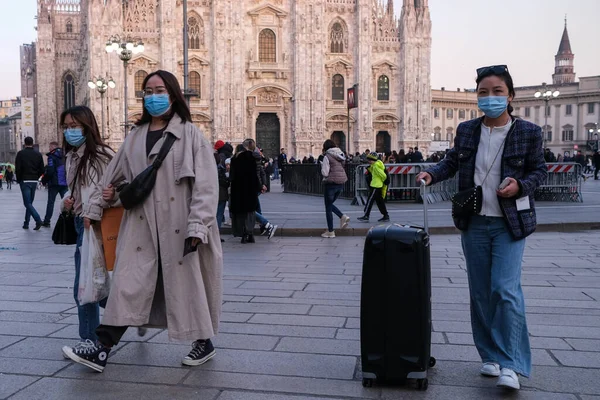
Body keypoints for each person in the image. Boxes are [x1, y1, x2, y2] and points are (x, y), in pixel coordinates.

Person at [63, 70, 223, 373]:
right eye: (147, 92)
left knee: (187, 288)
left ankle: (204, 341)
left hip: (180, 225)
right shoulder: (135, 137)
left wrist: (199, 226)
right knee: (127, 284)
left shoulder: (190, 135)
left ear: (173, 94)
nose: (152, 97)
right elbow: (111, 179)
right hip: (142, 225)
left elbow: (206, 185)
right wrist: (98, 205)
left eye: (159, 90)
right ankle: (102, 348)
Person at [417, 65, 547, 390]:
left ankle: (511, 364)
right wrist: (431, 174)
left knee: (504, 290)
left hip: (509, 223)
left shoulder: (528, 132)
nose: (490, 98)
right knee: (480, 293)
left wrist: (520, 185)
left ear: (510, 95)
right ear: (477, 97)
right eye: (483, 93)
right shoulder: (467, 130)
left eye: (497, 92)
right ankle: (488, 355)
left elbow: (539, 171)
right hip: (473, 221)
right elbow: (452, 161)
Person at [56, 106, 115, 359]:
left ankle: (90, 340)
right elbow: (78, 190)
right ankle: (126, 314)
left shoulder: (103, 155)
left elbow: (115, 190)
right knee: (94, 285)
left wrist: (93, 209)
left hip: (98, 225)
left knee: (86, 287)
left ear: (87, 126)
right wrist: (67, 202)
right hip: (82, 224)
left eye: (75, 126)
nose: (70, 131)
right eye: (66, 127)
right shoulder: (70, 156)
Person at [230, 144, 260, 243]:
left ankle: (243, 234)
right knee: (250, 212)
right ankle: (250, 233)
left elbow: (232, 176)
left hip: (238, 189)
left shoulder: (234, 160)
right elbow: (255, 174)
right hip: (250, 189)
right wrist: (258, 186)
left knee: (240, 213)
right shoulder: (251, 159)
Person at [320, 139, 350, 238]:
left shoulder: (327, 157)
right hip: (340, 184)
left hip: (331, 184)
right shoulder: (340, 155)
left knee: (328, 207)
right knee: (329, 205)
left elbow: (325, 172)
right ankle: (342, 217)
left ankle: (331, 231)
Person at [15, 137, 45, 230]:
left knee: (27, 203)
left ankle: (38, 219)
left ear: (24, 143)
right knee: (30, 203)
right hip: (34, 180)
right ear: (32, 143)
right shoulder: (38, 154)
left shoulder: (20, 154)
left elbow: (18, 168)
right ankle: (26, 223)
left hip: (25, 180)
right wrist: (36, 176)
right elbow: (42, 169)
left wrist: (19, 179)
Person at [42, 141, 69, 227]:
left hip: (54, 183)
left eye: (50, 147)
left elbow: (50, 171)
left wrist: (44, 180)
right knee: (66, 202)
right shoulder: (65, 155)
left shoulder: (51, 156)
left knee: (51, 202)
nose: (49, 149)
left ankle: (47, 221)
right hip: (64, 182)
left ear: (53, 147)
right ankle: (68, 219)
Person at [357, 153, 389, 223]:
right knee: (379, 201)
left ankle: (366, 215)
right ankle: (385, 215)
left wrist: (381, 182)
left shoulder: (376, 166)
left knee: (370, 200)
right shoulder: (375, 165)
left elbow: (383, 176)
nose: (368, 161)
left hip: (376, 185)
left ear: (373, 160)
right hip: (377, 185)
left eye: (369, 160)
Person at [215, 152, 229, 242]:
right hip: (221, 194)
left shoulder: (209, 168)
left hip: (213, 194)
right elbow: (224, 182)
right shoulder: (221, 169)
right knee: (219, 215)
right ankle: (216, 235)